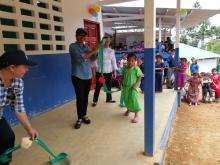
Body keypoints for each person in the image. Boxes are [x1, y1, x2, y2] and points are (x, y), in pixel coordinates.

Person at [0, 49, 39, 165]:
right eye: (25, 66)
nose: (27, 69)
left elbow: (18, 107)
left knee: (8, 137)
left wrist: (29, 129)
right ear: (12, 68)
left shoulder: (17, 83)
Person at [69, 28, 98, 129]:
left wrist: (96, 52)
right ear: (76, 36)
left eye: (84, 36)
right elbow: (79, 60)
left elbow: (93, 58)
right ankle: (79, 118)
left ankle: (84, 115)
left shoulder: (87, 47)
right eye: (80, 35)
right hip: (77, 76)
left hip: (88, 75)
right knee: (80, 97)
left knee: (85, 97)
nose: (82, 38)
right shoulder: (72, 47)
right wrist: (92, 51)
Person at [92, 36, 117, 107]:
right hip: (100, 71)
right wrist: (94, 70)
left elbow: (113, 61)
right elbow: (95, 60)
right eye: (105, 41)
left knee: (109, 85)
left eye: (108, 41)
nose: (107, 42)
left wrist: (114, 71)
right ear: (102, 41)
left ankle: (109, 99)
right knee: (98, 86)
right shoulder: (99, 50)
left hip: (109, 70)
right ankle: (95, 100)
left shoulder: (111, 51)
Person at [122, 53, 143, 123]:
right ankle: (129, 109)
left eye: (132, 61)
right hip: (125, 87)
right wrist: (121, 83)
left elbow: (140, 76)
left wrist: (136, 84)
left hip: (133, 87)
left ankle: (136, 115)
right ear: (127, 61)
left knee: (134, 99)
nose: (130, 62)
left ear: (135, 61)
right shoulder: (124, 68)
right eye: (129, 60)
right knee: (126, 99)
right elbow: (123, 76)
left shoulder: (136, 68)